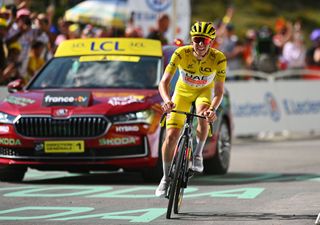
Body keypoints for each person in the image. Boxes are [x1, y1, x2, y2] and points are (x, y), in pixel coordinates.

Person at [155, 22, 227, 197]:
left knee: (203, 114)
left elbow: (219, 91)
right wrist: (166, 100)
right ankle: (165, 178)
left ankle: (198, 154)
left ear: (211, 42)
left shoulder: (219, 58)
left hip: (204, 92)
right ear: (192, 40)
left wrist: (213, 109)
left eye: (205, 40)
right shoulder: (181, 53)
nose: (201, 44)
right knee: (171, 135)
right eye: (197, 40)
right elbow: (164, 82)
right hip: (182, 93)